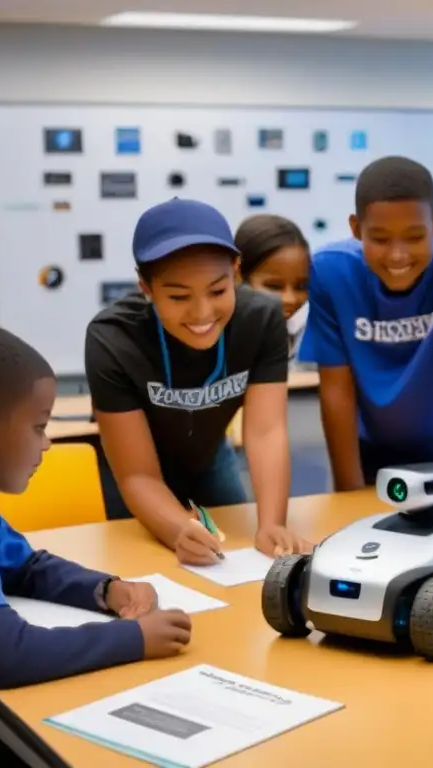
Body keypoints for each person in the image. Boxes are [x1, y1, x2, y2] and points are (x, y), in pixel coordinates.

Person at [0, 318, 192, 766]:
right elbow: (7, 656)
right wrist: (133, 637)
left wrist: (107, 589)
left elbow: (24, 566)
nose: (48, 443)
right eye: (38, 426)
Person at [85, 198, 309, 564]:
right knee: (141, 564)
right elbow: (138, 474)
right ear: (146, 286)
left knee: (237, 558)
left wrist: (271, 522)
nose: (203, 313)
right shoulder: (112, 339)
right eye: (178, 297)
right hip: (127, 473)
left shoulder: (262, 320)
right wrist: (176, 529)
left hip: (208, 459)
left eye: (218, 291)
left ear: (237, 271)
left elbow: (266, 431)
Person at [297, 155, 433, 490]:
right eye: (380, 239)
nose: (397, 255)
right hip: (372, 458)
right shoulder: (331, 272)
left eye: (414, 237)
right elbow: (337, 390)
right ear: (355, 228)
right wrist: (348, 492)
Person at [234, 214, 312, 364]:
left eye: (301, 286)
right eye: (274, 286)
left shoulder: (309, 340)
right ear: (237, 276)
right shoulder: (216, 343)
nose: (290, 299)